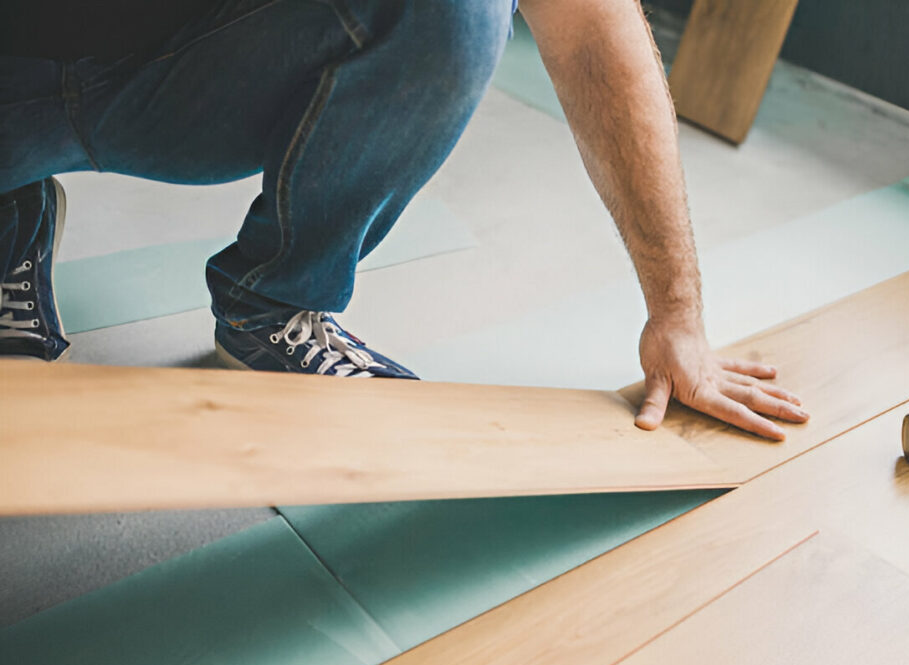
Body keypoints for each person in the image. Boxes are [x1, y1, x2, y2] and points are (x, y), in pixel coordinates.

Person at [0, 0, 809, 438]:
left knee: (454, 6)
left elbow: (592, 30)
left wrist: (676, 313)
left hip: (191, 76)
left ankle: (276, 301)